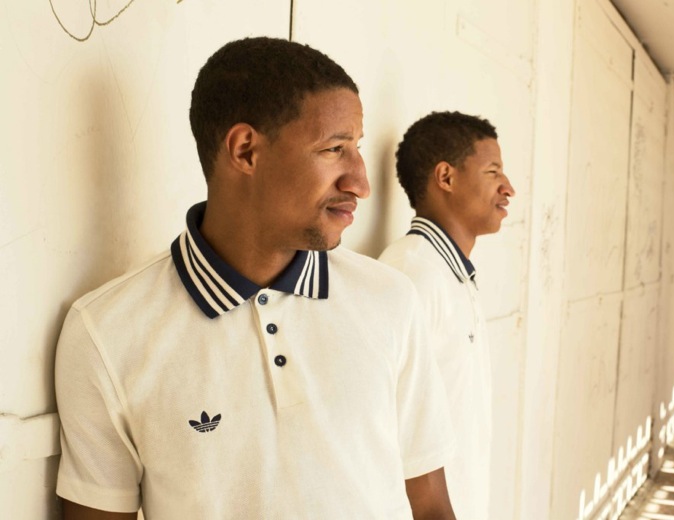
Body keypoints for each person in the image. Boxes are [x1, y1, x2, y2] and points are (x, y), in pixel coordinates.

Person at [55, 37, 456, 519]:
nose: (360, 182)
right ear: (246, 151)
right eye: (334, 149)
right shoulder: (105, 333)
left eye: (357, 147)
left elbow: (430, 507)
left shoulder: (389, 298)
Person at [378, 111, 516, 519]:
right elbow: (386, 429)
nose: (508, 188)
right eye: (493, 172)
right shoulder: (412, 274)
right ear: (446, 177)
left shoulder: (449, 273)